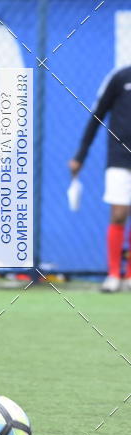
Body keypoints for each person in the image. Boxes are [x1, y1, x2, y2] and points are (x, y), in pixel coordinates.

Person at [69, 64, 131, 292]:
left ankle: (130, 275)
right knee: (119, 213)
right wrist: (80, 155)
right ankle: (114, 274)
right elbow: (98, 115)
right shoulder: (120, 77)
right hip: (119, 156)